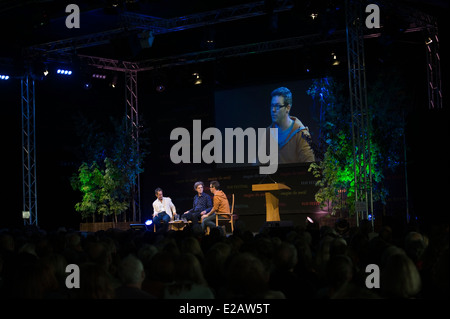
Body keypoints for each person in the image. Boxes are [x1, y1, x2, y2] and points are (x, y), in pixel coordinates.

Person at [267, 87, 315, 164]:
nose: (273, 110)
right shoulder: (268, 132)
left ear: (288, 108)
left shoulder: (301, 134)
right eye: (272, 106)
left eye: (277, 106)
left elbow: (309, 167)